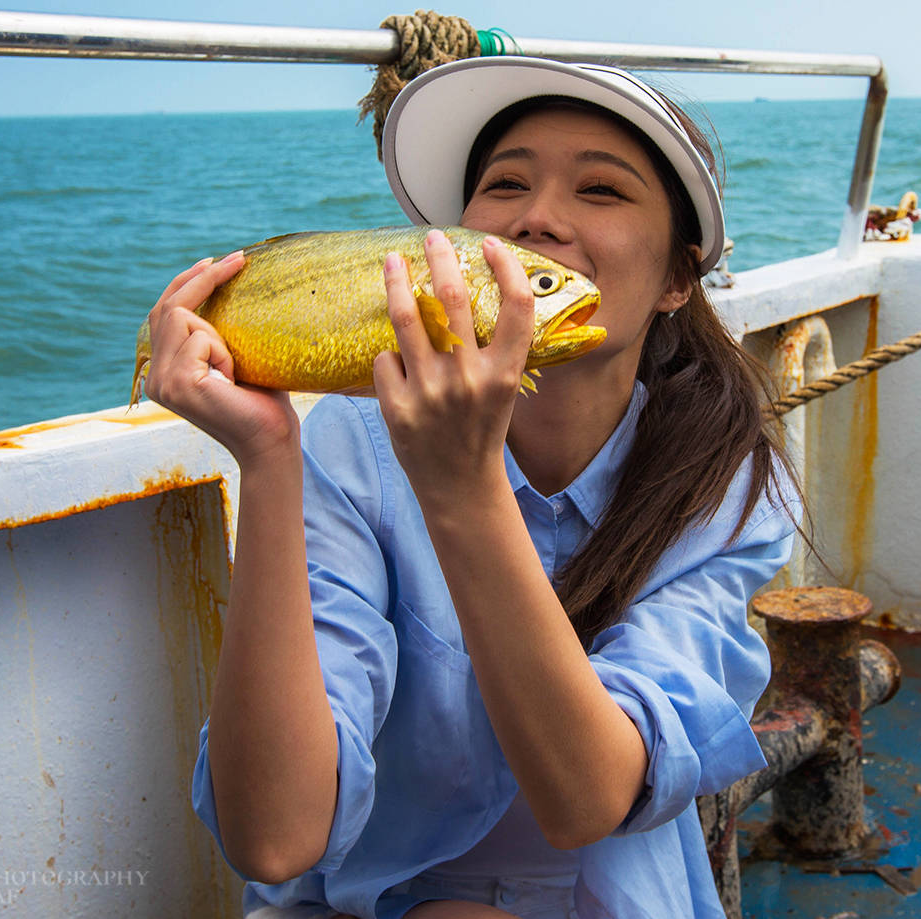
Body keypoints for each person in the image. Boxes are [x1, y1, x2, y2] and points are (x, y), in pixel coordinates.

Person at [143, 57, 798, 919]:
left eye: (601, 191)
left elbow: (587, 796)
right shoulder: (350, 447)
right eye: (504, 185)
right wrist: (267, 461)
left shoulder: (722, 486)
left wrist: (463, 489)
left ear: (679, 278)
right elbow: (272, 837)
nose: (537, 218)